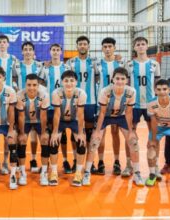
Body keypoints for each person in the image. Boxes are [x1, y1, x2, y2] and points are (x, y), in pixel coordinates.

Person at [88, 67, 143, 186]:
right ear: (112, 79)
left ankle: (137, 172)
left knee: (133, 141)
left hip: (121, 116)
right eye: (117, 78)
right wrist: (97, 131)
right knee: (94, 140)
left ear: (126, 80)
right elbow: (102, 112)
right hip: (106, 115)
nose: (119, 81)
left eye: (122, 79)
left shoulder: (131, 91)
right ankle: (87, 172)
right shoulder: (105, 91)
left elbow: (128, 112)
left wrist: (131, 131)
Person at [125, 36, 161, 178]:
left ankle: (156, 166)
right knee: (130, 136)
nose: (140, 46)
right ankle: (129, 165)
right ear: (134, 47)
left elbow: (157, 85)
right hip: (133, 105)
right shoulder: (129, 65)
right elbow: (127, 84)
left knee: (154, 136)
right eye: (138, 44)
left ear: (147, 46)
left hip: (150, 104)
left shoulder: (154, 64)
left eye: (143, 44)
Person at [66, 36, 98, 175]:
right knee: (75, 132)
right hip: (75, 102)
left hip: (91, 102)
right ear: (77, 46)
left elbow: (99, 77)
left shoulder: (95, 62)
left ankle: (91, 163)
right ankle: (75, 160)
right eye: (80, 44)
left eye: (85, 44)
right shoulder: (71, 62)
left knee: (90, 134)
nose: (82, 46)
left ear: (88, 46)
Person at [93, 37, 125, 175]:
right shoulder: (97, 64)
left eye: (110, 46)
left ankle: (117, 161)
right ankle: (100, 162)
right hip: (102, 103)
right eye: (105, 46)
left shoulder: (121, 63)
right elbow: (93, 80)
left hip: (118, 102)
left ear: (114, 48)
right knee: (101, 133)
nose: (107, 49)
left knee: (115, 132)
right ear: (102, 49)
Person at [50, 70, 87, 186]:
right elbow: (56, 114)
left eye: (72, 81)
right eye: (66, 81)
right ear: (62, 82)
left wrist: (81, 133)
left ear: (76, 82)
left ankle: (78, 173)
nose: (69, 83)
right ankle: (54, 172)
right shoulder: (56, 93)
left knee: (81, 142)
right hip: (61, 120)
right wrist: (55, 132)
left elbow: (80, 114)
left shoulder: (81, 93)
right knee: (53, 142)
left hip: (74, 120)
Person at [38, 43, 71, 173]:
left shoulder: (67, 67)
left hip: (63, 106)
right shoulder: (45, 68)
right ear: (50, 52)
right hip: (48, 106)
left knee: (61, 135)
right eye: (53, 50)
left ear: (61, 52)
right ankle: (45, 164)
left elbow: (72, 83)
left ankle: (65, 161)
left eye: (58, 50)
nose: (56, 52)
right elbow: (39, 84)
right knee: (47, 135)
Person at [0, 35, 18, 174]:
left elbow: (17, 76)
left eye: (4, 42)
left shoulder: (13, 60)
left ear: (8, 44)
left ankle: (5, 162)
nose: (2, 44)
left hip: (8, 97)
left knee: (7, 131)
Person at [13, 41, 44, 172]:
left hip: (36, 103)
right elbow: (12, 79)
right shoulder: (16, 65)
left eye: (30, 49)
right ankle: (18, 164)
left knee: (35, 134)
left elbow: (41, 82)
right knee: (21, 134)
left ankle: (33, 159)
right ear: (22, 52)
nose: (27, 51)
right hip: (21, 103)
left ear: (33, 52)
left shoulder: (39, 66)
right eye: (25, 49)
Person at [17, 74, 50, 186]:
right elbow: (21, 116)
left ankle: (44, 173)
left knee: (45, 140)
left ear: (38, 85)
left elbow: (44, 116)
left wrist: (44, 132)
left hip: (39, 121)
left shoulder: (44, 95)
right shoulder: (20, 95)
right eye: (29, 85)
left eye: (34, 85)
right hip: (26, 120)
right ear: (25, 85)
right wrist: (21, 133)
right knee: (21, 141)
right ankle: (22, 173)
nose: (31, 88)